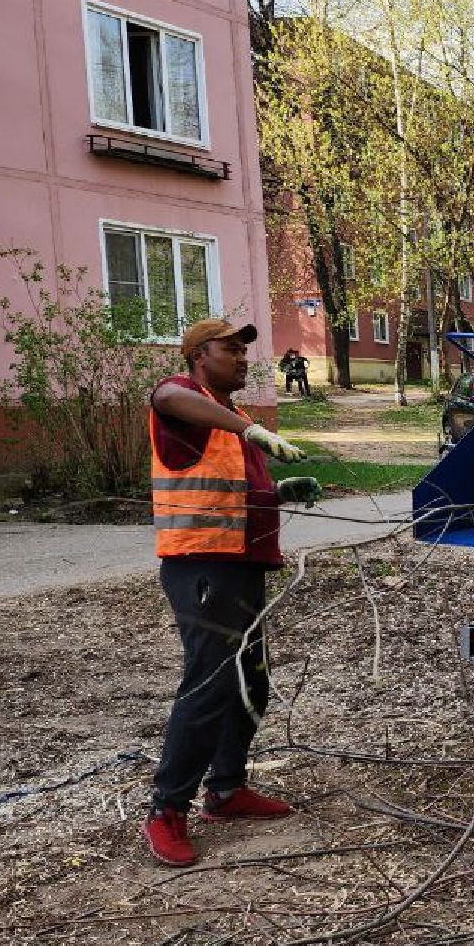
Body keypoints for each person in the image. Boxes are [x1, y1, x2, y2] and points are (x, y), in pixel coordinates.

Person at [142, 319, 323, 867]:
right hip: (201, 567)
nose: (244, 359)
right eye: (230, 350)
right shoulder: (181, 400)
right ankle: (166, 810)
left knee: (252, 683)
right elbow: (167, 395)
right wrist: (252, 433)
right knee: (211, 687)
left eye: (246, 350)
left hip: (240, 567)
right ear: (199, 356)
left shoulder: (233, 419)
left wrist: (277, 491)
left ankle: (225, 789)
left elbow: (235, 492)